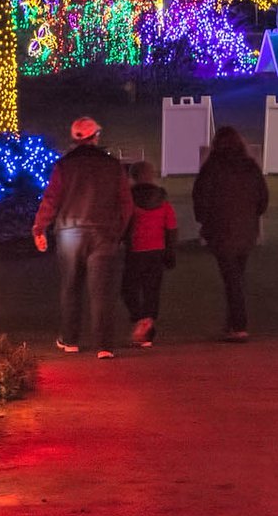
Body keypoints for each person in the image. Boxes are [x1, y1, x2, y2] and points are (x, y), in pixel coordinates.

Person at [32, 116, 133, 357]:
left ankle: (70, 339)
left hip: (69, 232)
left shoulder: (64, 166)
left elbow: (51, 199)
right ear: (95, 136)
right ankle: (104, 345)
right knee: (102, 290)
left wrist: (39, 227)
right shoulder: (112, 165)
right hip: (103, 231)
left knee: (70, 286)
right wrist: (118, 230)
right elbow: (125, 202)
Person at [191, 126, 269, 341]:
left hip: (220, 230)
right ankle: (233, 323)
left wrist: (204, 221)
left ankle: (238, 325)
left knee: (231, 278)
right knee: (236, 277)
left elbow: (200, 197)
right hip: (246, 231)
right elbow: (263, 198)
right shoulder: (250, 167)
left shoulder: (211, 168)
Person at [121, 161, 177, 347]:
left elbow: (125, 224)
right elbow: (171, 228)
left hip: (136, 250)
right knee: (151, 290)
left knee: (129, 289)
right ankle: (147, 324)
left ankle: (140, 320)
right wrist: (170, 252)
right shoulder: (162, 200)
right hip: (157, 251)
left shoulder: (129, 199)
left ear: (134, 177)